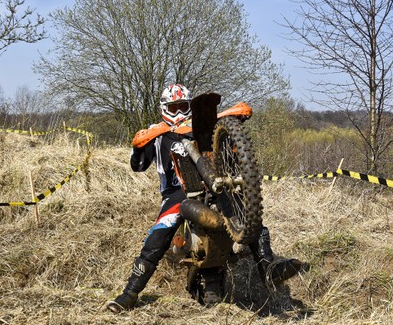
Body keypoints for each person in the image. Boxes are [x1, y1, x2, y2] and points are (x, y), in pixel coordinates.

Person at [106, 84, 283, 313]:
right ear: (164, 108)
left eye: (183, 107)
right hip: (175, 193)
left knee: (247, 217)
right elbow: (138, 166)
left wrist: (236, 136)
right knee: (159, 236)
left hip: (209, 185)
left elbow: (223, 150)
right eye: (174, 107)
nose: (179, 113)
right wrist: (139, 146)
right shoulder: (157, 133)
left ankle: (271, 269)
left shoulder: (199, 127)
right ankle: (128, 294)